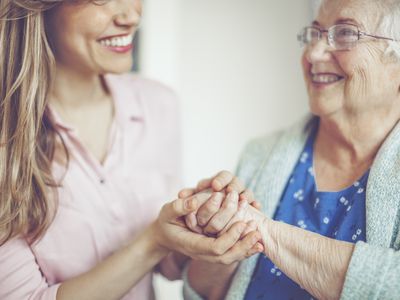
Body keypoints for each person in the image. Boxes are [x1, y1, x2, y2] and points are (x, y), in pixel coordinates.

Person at [0, 1, 262, 299]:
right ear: (42, 8)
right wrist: (154, 241)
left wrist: (205, 224)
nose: (131, 16)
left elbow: (173, 266)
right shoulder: (6, 139)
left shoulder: (158, 104)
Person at [182, 0, 400, 299]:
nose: (313, 53)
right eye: (314, 34)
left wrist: (261, 229)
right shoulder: (260, 153)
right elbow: (206, 292)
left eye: (347, 33)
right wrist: (216, 230)